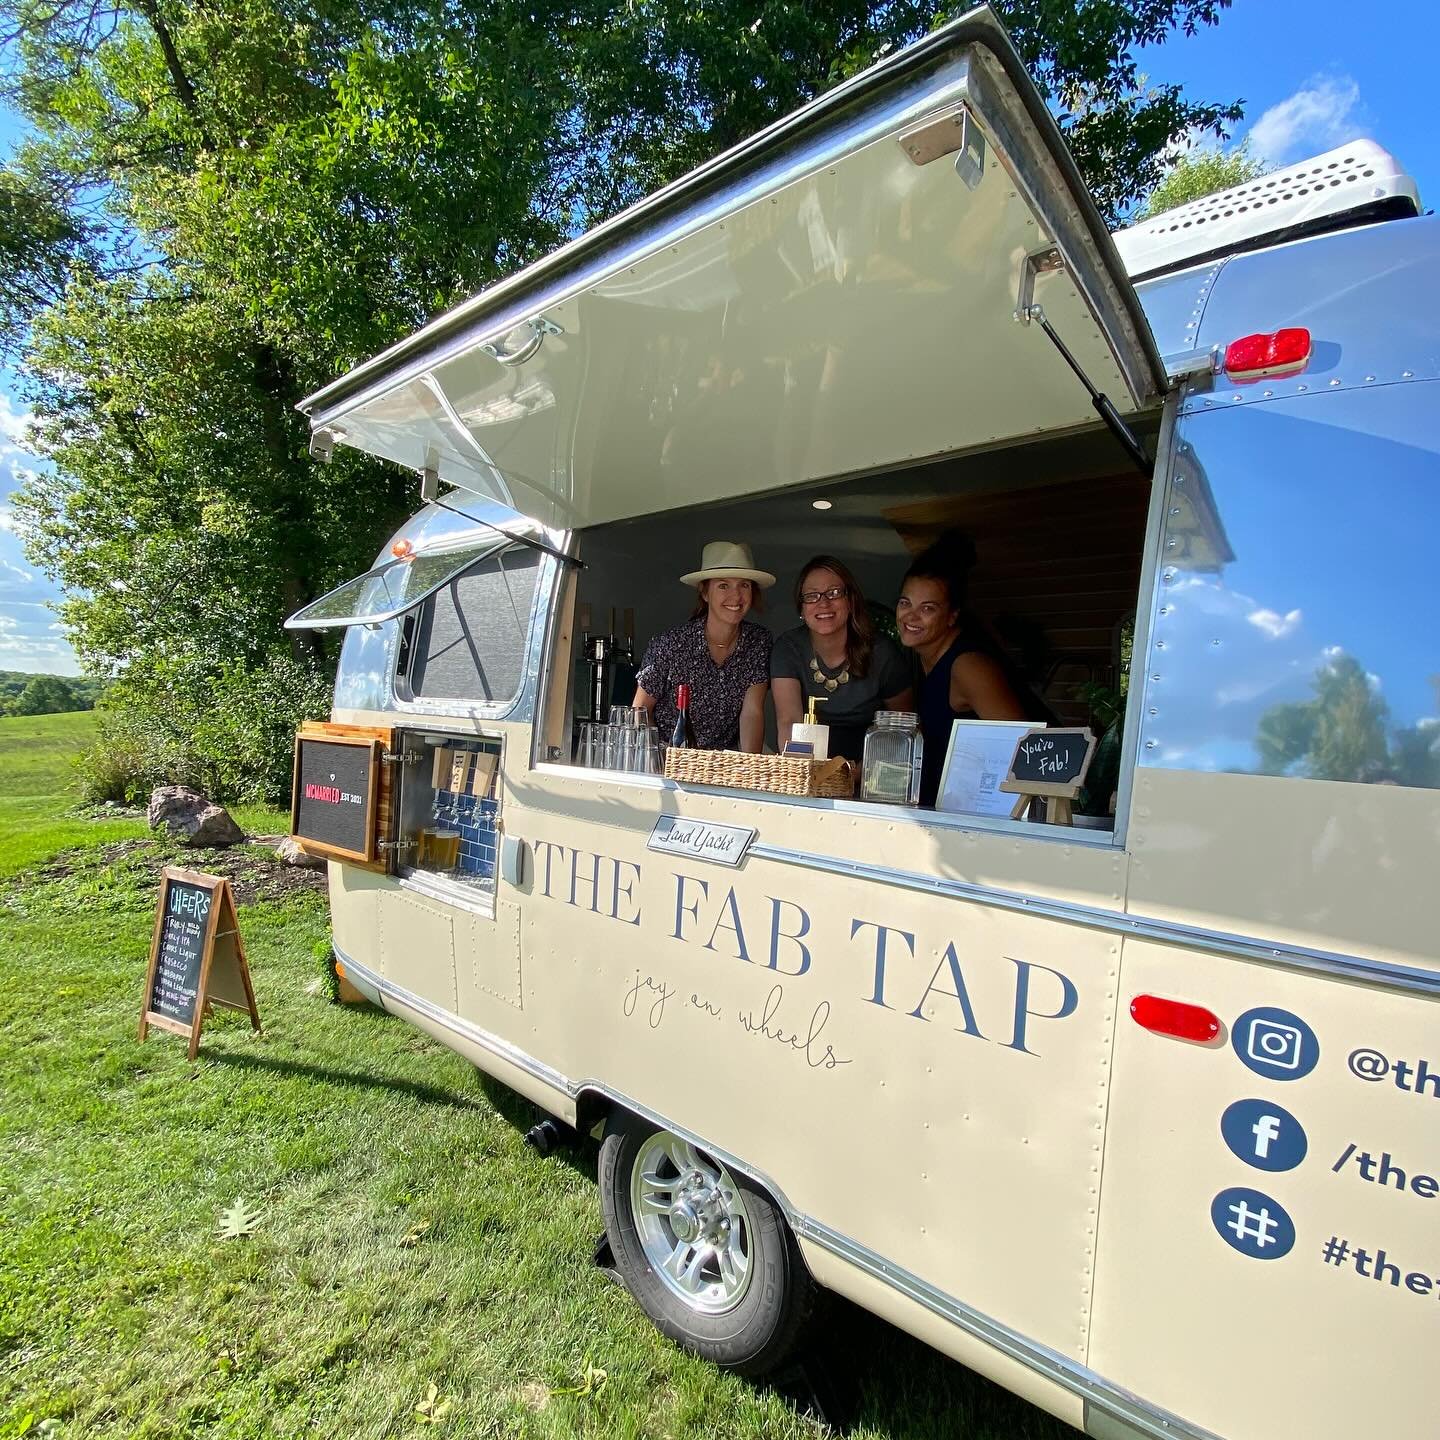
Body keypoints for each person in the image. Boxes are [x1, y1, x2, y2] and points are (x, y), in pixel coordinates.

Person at [896, 531, 1053, 806]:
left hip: (978, 814)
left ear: (952, 616)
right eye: (905, 603)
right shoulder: (920, 658)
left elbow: (1024, 751)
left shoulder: (968, 666)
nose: (911, 616)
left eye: (928, 608)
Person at [633, 541, 774, 751]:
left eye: (744, 585)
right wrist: (657, 762)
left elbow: (752, 713)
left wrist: (747, 773)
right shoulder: (671, 644)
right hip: (669, 766)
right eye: (723, 585)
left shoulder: (758, 642)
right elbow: (640, 712)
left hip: (723, 768)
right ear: (705, 592)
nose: (736, 596)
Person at [771, 555, 914, 762]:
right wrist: (803, 774)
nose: (824, 603)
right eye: (812, 596)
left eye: (834, 593)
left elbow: (903, 730)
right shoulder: (788, 648)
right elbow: (789, 722)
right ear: (801, 607)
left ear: (850, 600)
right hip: (810, 764)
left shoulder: (881, 652)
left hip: (872, 768)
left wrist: (864, 773)